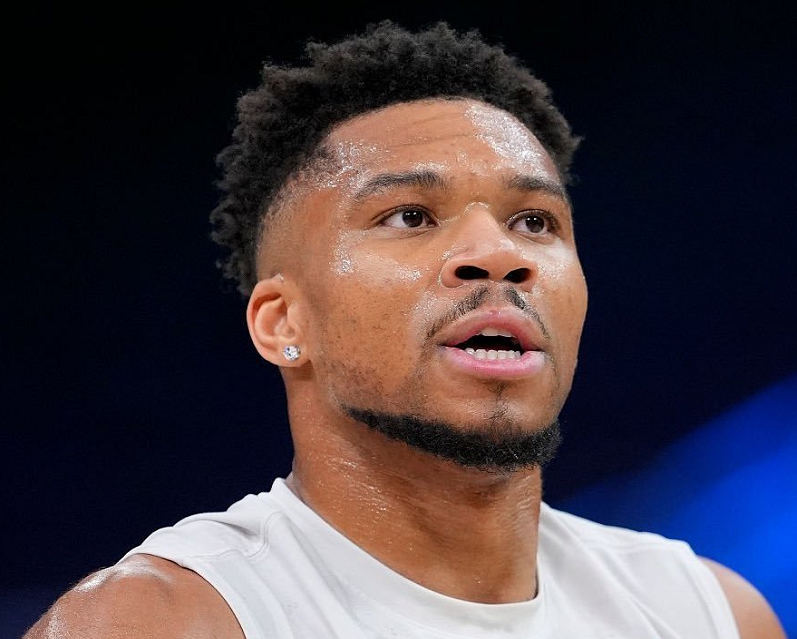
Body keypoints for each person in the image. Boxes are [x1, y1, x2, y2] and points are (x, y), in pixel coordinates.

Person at [24, 20, 785, 639]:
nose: (500, 254)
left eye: (534, 221)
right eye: (410, 216)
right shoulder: (166, 622)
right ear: (283, 321)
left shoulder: (710, 615)